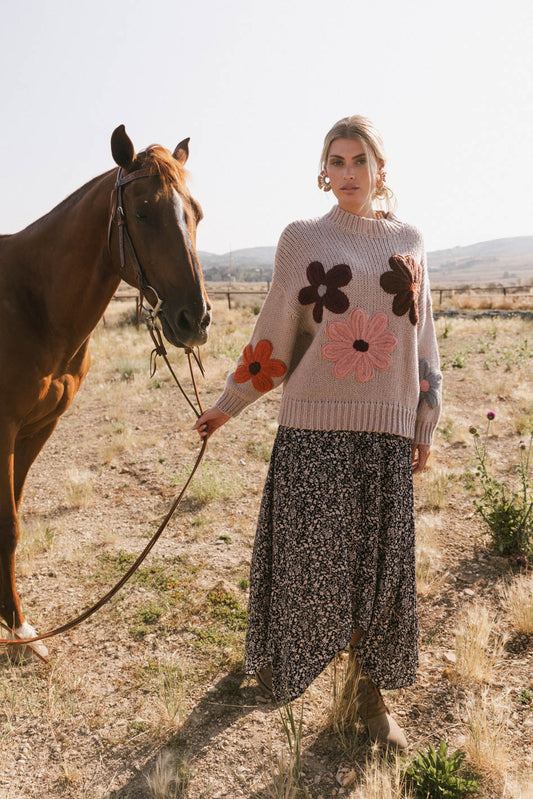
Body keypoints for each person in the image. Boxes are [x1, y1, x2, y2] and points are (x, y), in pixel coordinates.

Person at [193, 115, 442, 750]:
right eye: (337, 161)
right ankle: (285, 658)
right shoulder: (301, 240)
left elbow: (423, 343)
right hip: (314, 428)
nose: (349, 173)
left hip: (384, 432)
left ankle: (368, 697)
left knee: (375, 577)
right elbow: (275, 329)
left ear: (379, 169)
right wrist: (229, 403)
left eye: (360, 160)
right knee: (308, 564)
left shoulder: (410, 241)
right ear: (323, 171)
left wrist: (423, 421)